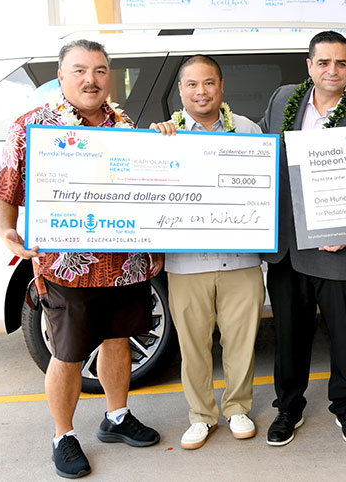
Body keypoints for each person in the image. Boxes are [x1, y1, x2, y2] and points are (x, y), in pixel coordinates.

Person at [0, 39, 161, 479]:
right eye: (81, 70)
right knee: (67, 354)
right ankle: (63, 436)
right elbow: (7, 187)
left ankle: (117, 416)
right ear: (62, 75)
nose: (92, 79)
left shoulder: (125, 123)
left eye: (101, 71)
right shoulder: (33, 126)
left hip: (126, 261)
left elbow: (148, 190)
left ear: (111, 76)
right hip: (70, 264)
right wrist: (6, 231)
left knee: (118, 340)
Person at [258, 31, 346, 446]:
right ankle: (289, 409)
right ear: (310, 65)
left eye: (341, 63)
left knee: (345, 335)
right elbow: (257, 148)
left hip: (340, 252)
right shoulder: (283, 101)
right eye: (324, 62)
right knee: (289, 336)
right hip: (288, 248)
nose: (332, 70)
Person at [149, 55, 266, 450]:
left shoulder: (249, 130)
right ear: (180, 90)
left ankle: (237, 409)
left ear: (221, 86)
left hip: (242, 261)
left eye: (209, 83)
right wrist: (152, 147)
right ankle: (201, 416)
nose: (202, 91)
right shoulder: (165, 135)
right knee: (193, 347)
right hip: (187, 263)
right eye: (193, 84)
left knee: (241, 342)